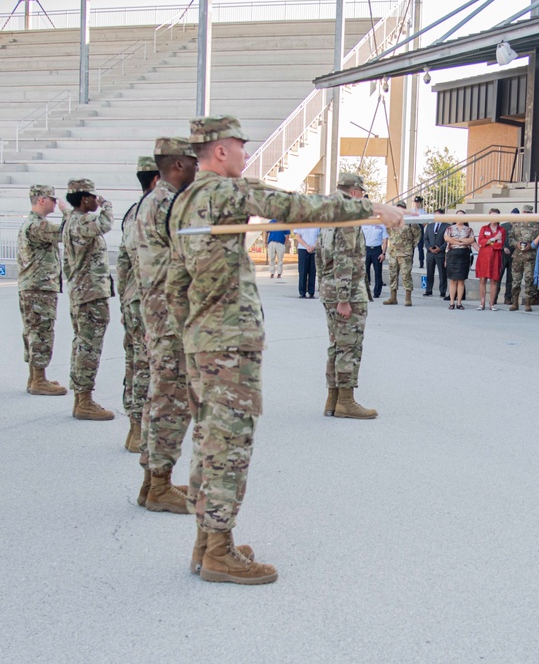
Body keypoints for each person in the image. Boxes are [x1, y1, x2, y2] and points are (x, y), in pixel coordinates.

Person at [165, 115, 405, 585]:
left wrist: (190, 332)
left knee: (209, 440)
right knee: (229, 445)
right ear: (219, 152)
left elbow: (176, 283)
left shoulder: (184, 202)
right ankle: (218, 551)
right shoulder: (224, 193)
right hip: (228, 343)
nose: (246, 154)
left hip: (202, 339)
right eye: (240, 146)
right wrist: (372, 207)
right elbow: (296, 206)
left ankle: (206, 540)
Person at [134, 137, 199, 516]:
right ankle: (158, 484)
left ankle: (152, 480)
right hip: (172, 315)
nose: (196, 169)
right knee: (172, 398)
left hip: (158, 311)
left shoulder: (151, 201)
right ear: (177, 165)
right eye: (192, 163)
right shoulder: (169, 204)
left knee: (160, 395)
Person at [318, 173, 377, 419]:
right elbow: (344, 258)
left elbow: (320, 258)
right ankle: (345, 401)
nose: (362, 197)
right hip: (348, 292)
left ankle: (332, 400)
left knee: (336, 345)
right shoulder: (347, 217)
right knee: (349, 347)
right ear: (354, 192)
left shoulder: (329, 216)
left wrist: (326, 287)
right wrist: (344, 298)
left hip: (330, 289)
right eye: (361, 193)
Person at [62, 178, 115, 421]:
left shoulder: (71, 221)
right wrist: (107, 205)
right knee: (89, 347)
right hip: (90, 294)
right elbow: (105, 224)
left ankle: (80, 398)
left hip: (82, 292)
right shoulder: (82, 221)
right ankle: (84, 401)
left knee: (82, 343)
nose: (97, 199)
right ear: (84, 199)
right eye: (94, 196)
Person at [117, 156, 159, 453]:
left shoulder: (132, 213)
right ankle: (142, 431)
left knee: (133, 363)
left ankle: (134, 428)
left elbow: (122, 262)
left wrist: (123, 301)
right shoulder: (153, 214)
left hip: (132, 299)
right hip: (147, 302)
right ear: (156, 180)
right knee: (148, 366)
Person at [18, 184, 68, 397]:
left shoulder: (32, 223)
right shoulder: (38, 225)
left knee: (33, 330)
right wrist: (67, 212)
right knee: (41, 332)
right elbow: (67, 232)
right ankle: (39, 379)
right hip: (39, 287)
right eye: (52, 199)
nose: (55, 203)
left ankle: (35, 376)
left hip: (33, 287)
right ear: (41, 200)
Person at [383, 217, 422, 307]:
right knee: (392, 275)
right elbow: (389, 232)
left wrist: (410, 246)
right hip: (393, 253)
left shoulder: (409, 221)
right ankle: (393, 297)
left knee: (406, 275)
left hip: (405, 253)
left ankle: (408, 298)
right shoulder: (391, 220)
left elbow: (417, 234)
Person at [508, 205, 539, 312]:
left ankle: (528, 302)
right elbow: (510, 238)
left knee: (529, 280)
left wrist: (530, 246)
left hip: (530, 257)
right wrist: (516, 244)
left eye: (528, 213)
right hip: (517, 257)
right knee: (516, 280)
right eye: (524, 212)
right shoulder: (516, 225)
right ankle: (514, 302)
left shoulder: (536, 226)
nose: (526, 214)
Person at [476, 209, 505, 310]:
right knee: (482, 279)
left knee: (494, 280)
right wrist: (493, 239)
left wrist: (489, 242)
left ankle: (492, 303)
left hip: (496, 257)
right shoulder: (484, 228)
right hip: (484, 256)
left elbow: (499, 245)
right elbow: (481, 241)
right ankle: (482, 302)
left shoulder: (501, 230)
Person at [444, 216, 475, 309]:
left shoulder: (469, 230)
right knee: (452, 280)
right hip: (452, 254)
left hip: (463, 255)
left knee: (461, 281)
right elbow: (447, 239)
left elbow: (471, 240)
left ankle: (459, 302)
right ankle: (451, 302)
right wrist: (461, 242)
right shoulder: (450, 228)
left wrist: (457, 241)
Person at [423, 209, 450, 298]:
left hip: (441, 253)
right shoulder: (429, 226)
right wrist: (429, 248)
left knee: (442, 273)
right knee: (429, 272)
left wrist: (440, 248)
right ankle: (428, 290)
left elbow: (447, 240)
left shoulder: (447, 226)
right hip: (430, 253)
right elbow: (425, 239)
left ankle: (442, 291)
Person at [360, 217, 388, 298]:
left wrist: (383, 253)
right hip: (366, 250)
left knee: (378, 272)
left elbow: (385, 240)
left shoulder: (381, 225)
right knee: (364, 272)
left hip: (377, 250)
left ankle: (377, 292)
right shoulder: (363, 224)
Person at [293, 226, 319, 298]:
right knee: (303, 271)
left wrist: (313, 246)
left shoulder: (316, 225)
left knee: (312, 271)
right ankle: (302, 292)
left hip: (314, 250)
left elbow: (319, 237)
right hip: (303, 249)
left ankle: (311, 292)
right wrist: (307, 246)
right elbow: (298, 237)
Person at [413, 195, 426, 269]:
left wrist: (421, 227)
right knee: (411, 246)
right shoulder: (412, 210)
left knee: (420, 247)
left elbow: (425, 221)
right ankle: (410, 262)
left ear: (420, 203)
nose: (417, 203)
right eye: (416, 202)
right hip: (413, 227)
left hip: (420, 227)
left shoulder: (422, 211)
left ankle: (421, 262)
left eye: (418, 202)